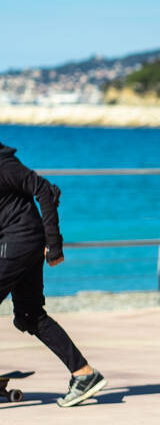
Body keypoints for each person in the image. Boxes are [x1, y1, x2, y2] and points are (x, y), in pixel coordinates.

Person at [0, 142, 106, 407]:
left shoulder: (4, 165)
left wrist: (54, 242)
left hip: (20, 242)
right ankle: (84, 374)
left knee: (30, 314)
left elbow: (45, 190)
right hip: (21, 243)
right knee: (30, 315)